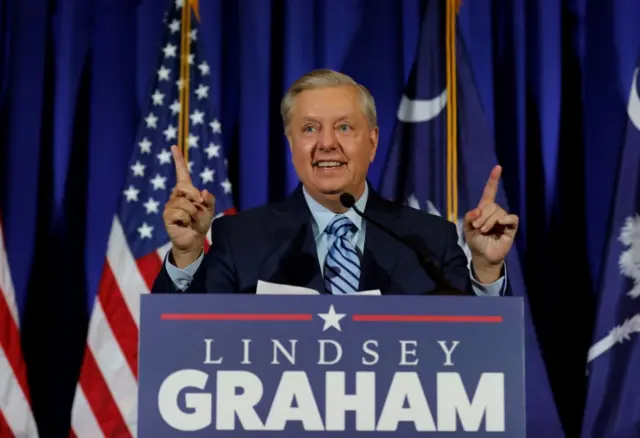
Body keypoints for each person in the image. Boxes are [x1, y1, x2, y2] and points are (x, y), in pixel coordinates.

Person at [152, 69, 518, 296]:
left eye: (344, 127)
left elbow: (472, 347)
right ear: (291, 144)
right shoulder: (240, 238)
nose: (327, 143)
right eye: (310, 129)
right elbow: (191, 342)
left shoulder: (428, 239)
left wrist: (485, 269)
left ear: (372, 142)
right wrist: (187, 255)